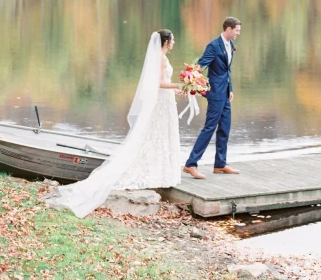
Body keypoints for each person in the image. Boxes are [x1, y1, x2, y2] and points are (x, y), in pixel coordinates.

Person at [46, 29, 181, 218]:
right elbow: (158, 83)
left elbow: (163, 82)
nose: (174, 42)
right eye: (173, 39)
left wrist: (176, 90)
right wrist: (179, 85)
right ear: (166, 42)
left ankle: (161, 169)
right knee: (154, 135)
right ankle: (154, 169)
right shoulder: (160, 58)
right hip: (160, 103)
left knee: (158, 135)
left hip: (164, 101)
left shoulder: (161, 57)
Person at [183, 16, 241, 179]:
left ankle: (220, 164)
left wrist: (230, 88)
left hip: (225, 93)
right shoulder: (214, 46)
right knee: (209, 128)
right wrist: (191, 80)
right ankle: (190, 164)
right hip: (215, 93)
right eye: (237, 30)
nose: (238, 33)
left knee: (225, 127)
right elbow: (201, 65)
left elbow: (227, 70)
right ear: (228, 29)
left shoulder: (231, 44)